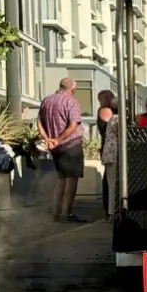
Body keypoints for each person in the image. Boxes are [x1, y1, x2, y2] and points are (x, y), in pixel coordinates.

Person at [37, 77, 86, 222]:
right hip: (70, 145)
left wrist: (47, 139)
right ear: (73, 89)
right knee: (71, 180)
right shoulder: (71, 101)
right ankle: (67, 213)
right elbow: (73, 125)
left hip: (55, 148)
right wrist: (59, 139)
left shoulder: (47, 100)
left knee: (61, 179)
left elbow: (39, 122)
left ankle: (56, 212)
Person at [96, 90, 116, 220]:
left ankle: (109, 210)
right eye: (109, 98)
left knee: (109, 182)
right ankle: (110, 210)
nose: (112, 100)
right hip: (111, 151)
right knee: (110, 183)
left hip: (108, 151)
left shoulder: (106, 112)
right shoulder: (105, 112)